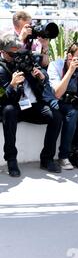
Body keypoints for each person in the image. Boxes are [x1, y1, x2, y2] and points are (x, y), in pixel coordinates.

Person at [0, 33, 62, 176]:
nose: (16, 56)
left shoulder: (25, 58)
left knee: (56, 116)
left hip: (31, 106)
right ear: (2, 52)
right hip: (13, 107)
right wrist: (12, 85)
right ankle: (11, 159)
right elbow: (2, 98)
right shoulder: (1, 68)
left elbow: (44, 72)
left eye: (18, 52)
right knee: (8, 111)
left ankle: (47, 159)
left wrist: (41, 76)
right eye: (11, 54)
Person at [46, 43, 78, 170]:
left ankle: (75, 147)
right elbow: (57, 93)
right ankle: (64, 155)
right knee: (73, 112)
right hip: (56, 100)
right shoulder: (55, 65)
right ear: (69, 56)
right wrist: (71, 70)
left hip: (72, 100)